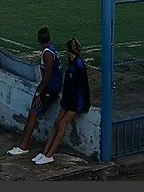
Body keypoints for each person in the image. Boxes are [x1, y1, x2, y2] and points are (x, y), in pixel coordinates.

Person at [32, 37, 91, 165]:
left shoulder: (78, 65)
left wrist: (81, 103)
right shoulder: (72, 63)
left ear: (68, 50)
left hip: (76, 101)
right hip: (68, 99)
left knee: (62, 124)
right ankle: (45, 152)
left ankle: (50, 155)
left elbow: (82, 87)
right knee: (57, 122)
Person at [6, 26, 63, 156]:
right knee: (33, 112)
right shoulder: (52, 50)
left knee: (33, 112)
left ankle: (24, 146)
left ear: (38, 40)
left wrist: (39, 92)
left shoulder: (47, 54)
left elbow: (48, 75)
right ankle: (23, 143)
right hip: (52, 87)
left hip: (50, 88)